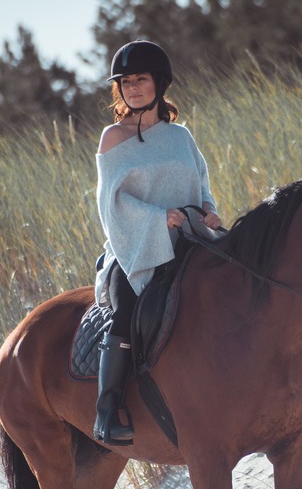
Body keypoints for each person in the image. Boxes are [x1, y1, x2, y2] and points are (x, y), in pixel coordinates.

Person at [92, 40, 221, 446]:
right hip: (134, 249)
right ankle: (107, 410)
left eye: (141, 80)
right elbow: (111, 204)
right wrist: (155, 217)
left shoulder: (180, 136)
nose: (132, 88)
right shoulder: (113, 138)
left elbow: (201, 184)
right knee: (127, 311)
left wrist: (209, 210)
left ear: (159, 84)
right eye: (126, 82)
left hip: (191, 241)